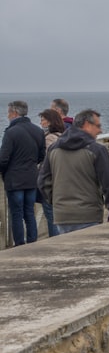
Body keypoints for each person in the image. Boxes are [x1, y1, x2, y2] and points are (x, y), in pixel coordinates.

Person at [38, 108, 109, 234]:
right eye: (98, 126)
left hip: (62, 215)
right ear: (86, 125)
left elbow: (43, 181)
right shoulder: (97, 150)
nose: (100, 130)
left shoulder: (53, 148)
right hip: (88, 214)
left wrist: (56, 201)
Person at [1, 101, 46, 245]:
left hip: (15, 180)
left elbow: (3, 158)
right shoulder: (38, 130)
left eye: (9, 113)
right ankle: (33, 242)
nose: (8, 116)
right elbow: (41, 155)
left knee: (17, 214)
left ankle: (19, 244)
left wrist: (4, 172)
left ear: (14, 113)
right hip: (32, 178)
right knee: (29, 212)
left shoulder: (11, 132)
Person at [36, 108, 65, 237]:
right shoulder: (64, 136)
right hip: (62, 179)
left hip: (51, 181)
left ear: (50, 122)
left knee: (51, 214)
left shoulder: (49, 139)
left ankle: (56, 241)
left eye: (43, 120)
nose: (41, 122)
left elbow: (48, 161)